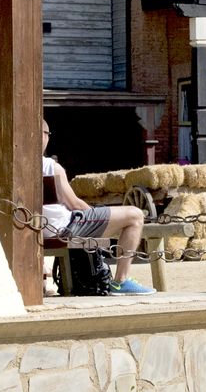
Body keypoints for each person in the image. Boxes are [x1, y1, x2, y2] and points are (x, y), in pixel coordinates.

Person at [40, 121, 152, 295]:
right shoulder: (51, 167)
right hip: (65, 227)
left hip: (40, 229)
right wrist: (96, 213)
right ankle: (120, 282)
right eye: (47, 134)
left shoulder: (15, 166)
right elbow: (74, 204)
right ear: (42, 135)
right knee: (135, 215)